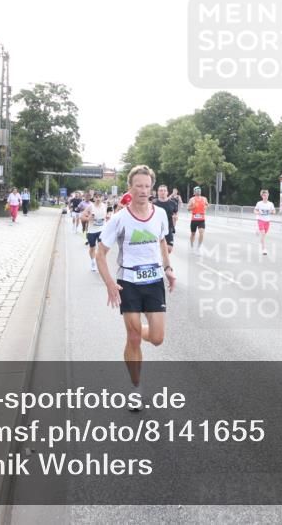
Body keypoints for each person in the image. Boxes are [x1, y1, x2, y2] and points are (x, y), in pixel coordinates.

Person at [95, 165, 175, 407]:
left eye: (147, 186)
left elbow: (161, 240)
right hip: (128, 283)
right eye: (138, 186)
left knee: (158, 338)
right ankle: (135, 387)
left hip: (153, 283)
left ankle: (136, 323)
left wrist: (168, 268)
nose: (143, 190)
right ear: (130, 187)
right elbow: (101, 254)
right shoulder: (119, 219)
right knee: (133, 339)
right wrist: (110, 283)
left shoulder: (160, 214)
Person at [83, 194, 109, 272]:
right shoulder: (90, 207)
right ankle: (93, 262)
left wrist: (107, 217)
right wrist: (89, 218)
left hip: (102, 229)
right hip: (92, 230)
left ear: (102, 198)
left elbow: (105, 216)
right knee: (92, 248)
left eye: (99, 197)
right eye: (96, 197)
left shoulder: (105, 205)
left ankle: (100, 262)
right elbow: (82, 217)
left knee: (101, 247)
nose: (98, 198)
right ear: (93, 198)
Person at [153, 184, 179, 254]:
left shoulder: (173, 203)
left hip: (168, 228)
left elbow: (175, 213)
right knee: (155, 249)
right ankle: (160, 261)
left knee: (169, 249)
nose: (163, 192)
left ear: (167, 192)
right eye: (161, 191)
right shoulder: (153, 203)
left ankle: (161, 258)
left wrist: (175, 219)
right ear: (158, 192)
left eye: (164, 191)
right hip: (156, 229)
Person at [187, 186, 209, 253]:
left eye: (199, 190)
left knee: (201, 233)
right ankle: (191, 245)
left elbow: (207, 205)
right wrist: (193, 207)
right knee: (193, 234)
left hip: (201, 219)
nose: (199, 191)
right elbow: (188, 208)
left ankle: (199, 247)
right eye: (197, 190)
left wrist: (205, 207)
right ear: (194, 192)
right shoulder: (192, 199)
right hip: (194, 219)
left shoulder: (204, 198)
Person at [254, 188, 275, 256]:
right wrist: (257, 212)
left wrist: (271, 212)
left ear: (268, 195)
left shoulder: (270, 204)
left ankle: (258, 231)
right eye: (264, 195)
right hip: (260, 220)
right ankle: (264, 249)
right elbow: (255, 210)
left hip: (267, 221)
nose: (266, 196)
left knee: (263, 235)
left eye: (267, 195)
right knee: (263, 234)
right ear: (262, 196)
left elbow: (274, 211)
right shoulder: (259, 203)